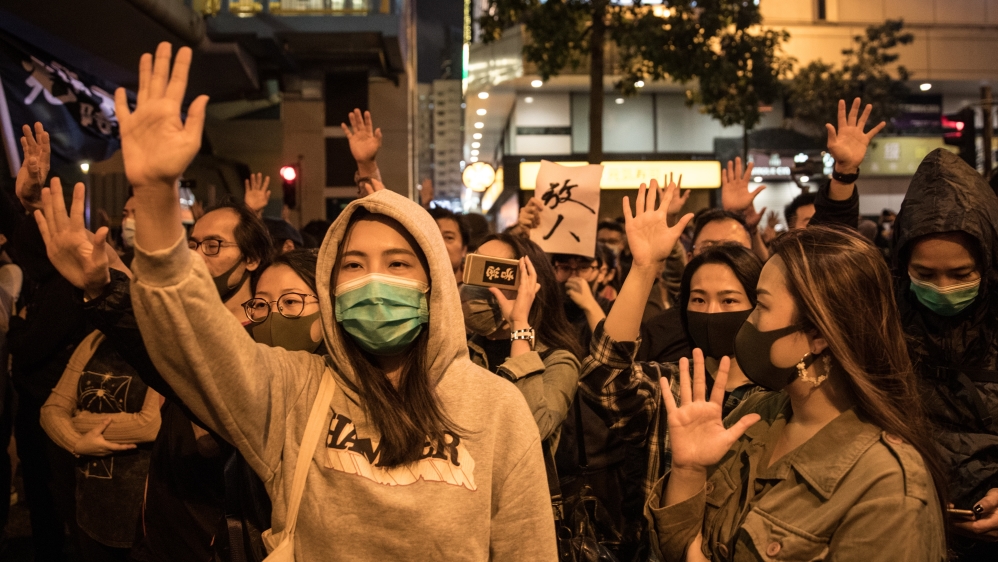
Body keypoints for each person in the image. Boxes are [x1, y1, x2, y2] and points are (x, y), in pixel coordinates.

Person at [112, 42, 555, 559]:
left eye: (397, 264)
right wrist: (156, 196)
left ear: (434, 282)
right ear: (329, 287)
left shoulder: (497, 408)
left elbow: (527, 547)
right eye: (352, 265)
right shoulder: (295, 393)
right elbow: (193, 341)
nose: (374, 282)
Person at [647, 226, 947, 561]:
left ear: (818, 334)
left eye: (760, 305)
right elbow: (675, 547)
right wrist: (688, 470)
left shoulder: (886, 483)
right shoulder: (759, 413)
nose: (749, 319)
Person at [35, 177, 276, 562]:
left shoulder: (265, 343)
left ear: (252, 259)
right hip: (162, 528)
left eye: (213, 246)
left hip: (215, 538)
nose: (197, 255)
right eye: (192, 244)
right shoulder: (185, 321)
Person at [580, 183, 766, 502]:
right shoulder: (668, 386)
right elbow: (602, 376)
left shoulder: (778, 394)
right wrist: (644, 267)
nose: (711, 312)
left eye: (729, 300)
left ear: (757, 307)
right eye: (698, 299)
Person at [890, 148, 998, 559]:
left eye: (960, 274)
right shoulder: (884, 318)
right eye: (925, 274)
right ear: (903, 265)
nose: (943, 288)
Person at [2, 122, 87, 560]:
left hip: (54, 406)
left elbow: (32, 344)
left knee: (56, 509)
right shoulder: (43, 275)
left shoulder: (68, 283)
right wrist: (25, 199)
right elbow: (23, 239)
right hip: (37, 404)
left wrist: (13, 328)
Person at [40, 329, 162, 562]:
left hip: (142, 507)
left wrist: (77, 420)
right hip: (92, 502)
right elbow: (51, 409)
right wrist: (77, 443)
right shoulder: (96, 339)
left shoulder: (163, 339)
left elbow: (152, 424)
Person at [462, 233, 582, 444]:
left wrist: (519, 324)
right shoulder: (462, 351)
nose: (477, 287)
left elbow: (532, 430)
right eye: (477, 266)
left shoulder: (559, 361)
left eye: (493, 272)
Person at [429, 207, 469, 285]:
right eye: (432, 237)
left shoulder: (477, 289)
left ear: (464, 249)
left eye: (448, 237)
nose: (440, 244)